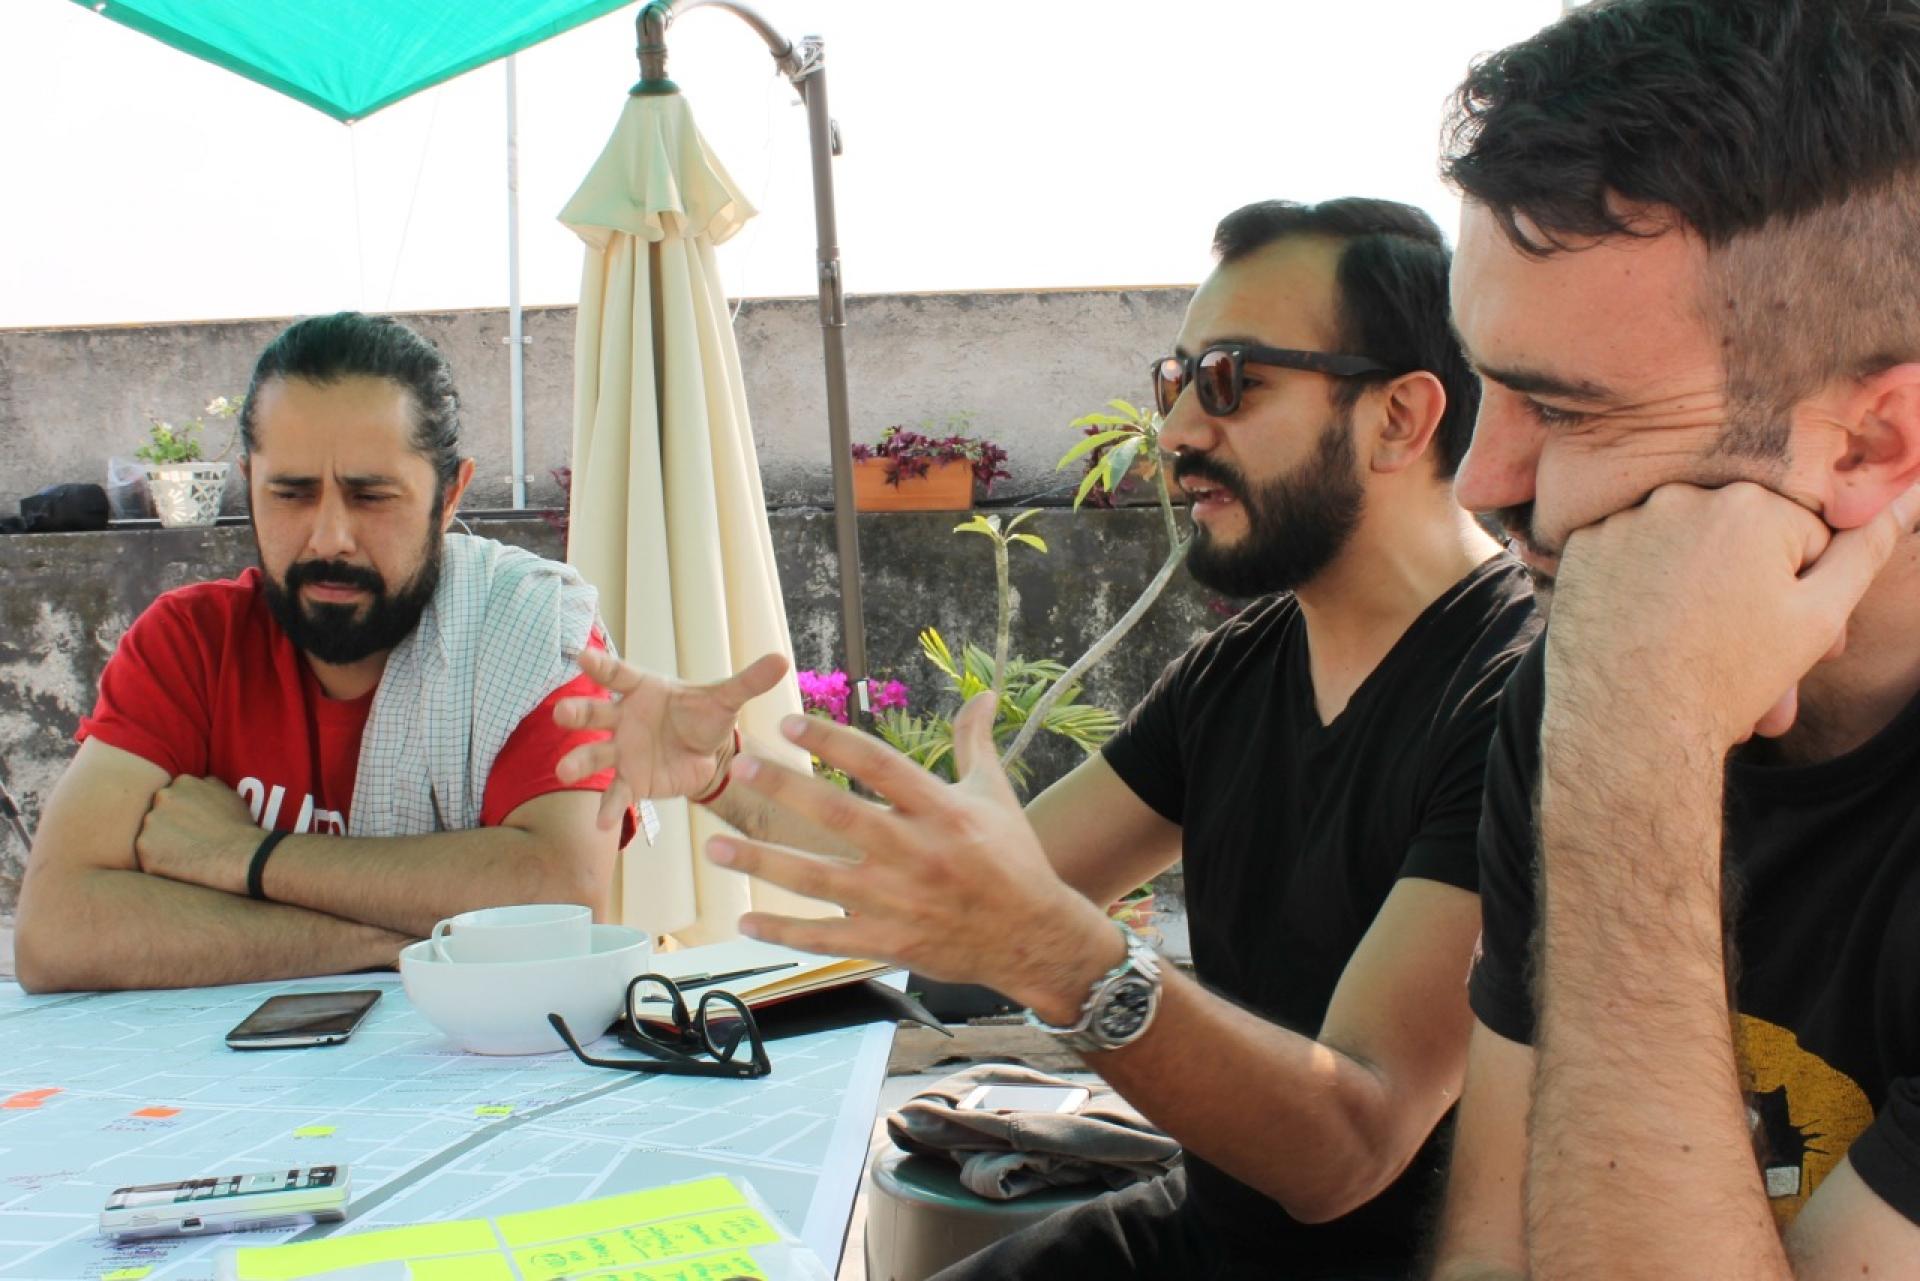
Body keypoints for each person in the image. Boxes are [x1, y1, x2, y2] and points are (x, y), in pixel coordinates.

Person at [557, 199, 1539, 1278]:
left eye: (1231, 382)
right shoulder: (1233, 676)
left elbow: (1349, 1148)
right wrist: (720, 776)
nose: (1173, 434)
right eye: (1175, 385)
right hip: (1207, 1230)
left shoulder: (1517, 697)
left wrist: (1064, 959)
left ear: (1399, 416)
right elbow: (947, 898)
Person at [1420, 2, 1920, 1277]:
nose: (1479, 481)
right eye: (1486, 381)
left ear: (1871, 446)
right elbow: (1494, 1256)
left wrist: (1636, 759)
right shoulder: (1585, 681)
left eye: (1566, 410)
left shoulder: (1614, 705)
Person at [14, 312, 629, 994]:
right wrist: (393, 938)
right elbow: (57, 929)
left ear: (449, 494)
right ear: (248, 483)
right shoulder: (189, 647)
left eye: (370, 496)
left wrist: (244, 856)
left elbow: (561, 895)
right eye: (291, 493)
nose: (329, 536)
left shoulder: (530, 627)